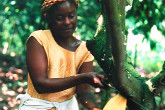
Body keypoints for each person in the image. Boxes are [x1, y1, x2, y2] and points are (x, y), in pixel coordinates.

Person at [16, 0, 105, 110]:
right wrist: (84, 78)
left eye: (71, 16)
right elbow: (40, 84)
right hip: (37, 106)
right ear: (48, 18)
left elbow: (84, 91)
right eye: (59, 18)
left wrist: (94, 108)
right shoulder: (39, 39)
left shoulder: (84, 49)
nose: (67, 22)